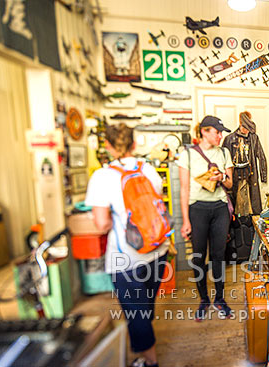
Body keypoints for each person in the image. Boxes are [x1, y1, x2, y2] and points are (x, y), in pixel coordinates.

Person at [85, 123, 168, 367]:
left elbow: (101, 224)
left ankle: (149, 361)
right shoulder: (149, 170)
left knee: (136, 312)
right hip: (157, 249)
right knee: (145, 305)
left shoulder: (102, 176)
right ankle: (146, 346)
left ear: (108, 146)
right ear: (134, 143)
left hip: (126, 257)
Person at [178, 116, 234, 321]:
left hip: (219, 208)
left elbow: (230, 185)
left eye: (221, 132)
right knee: (199, 257)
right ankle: (204, 299)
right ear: (204, 131)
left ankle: (219, 298)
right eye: (216, 132)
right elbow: (184, 190)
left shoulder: (224, 152)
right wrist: (185, 220)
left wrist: (222, 178)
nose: (220, 136)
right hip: (197, 210)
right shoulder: (188, 155)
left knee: (219, 256)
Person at [222, 111, 267, 215]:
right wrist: (224, 180)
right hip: (234, 178)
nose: (246, 129)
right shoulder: (229, 139)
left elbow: (261, 157)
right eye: (244, 126)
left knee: (252, 210)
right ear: (240, 122)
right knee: (234, 210)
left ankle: (251, 230)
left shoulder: (254, 138)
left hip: (249, 177)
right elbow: (223, 161)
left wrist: (263, 177)